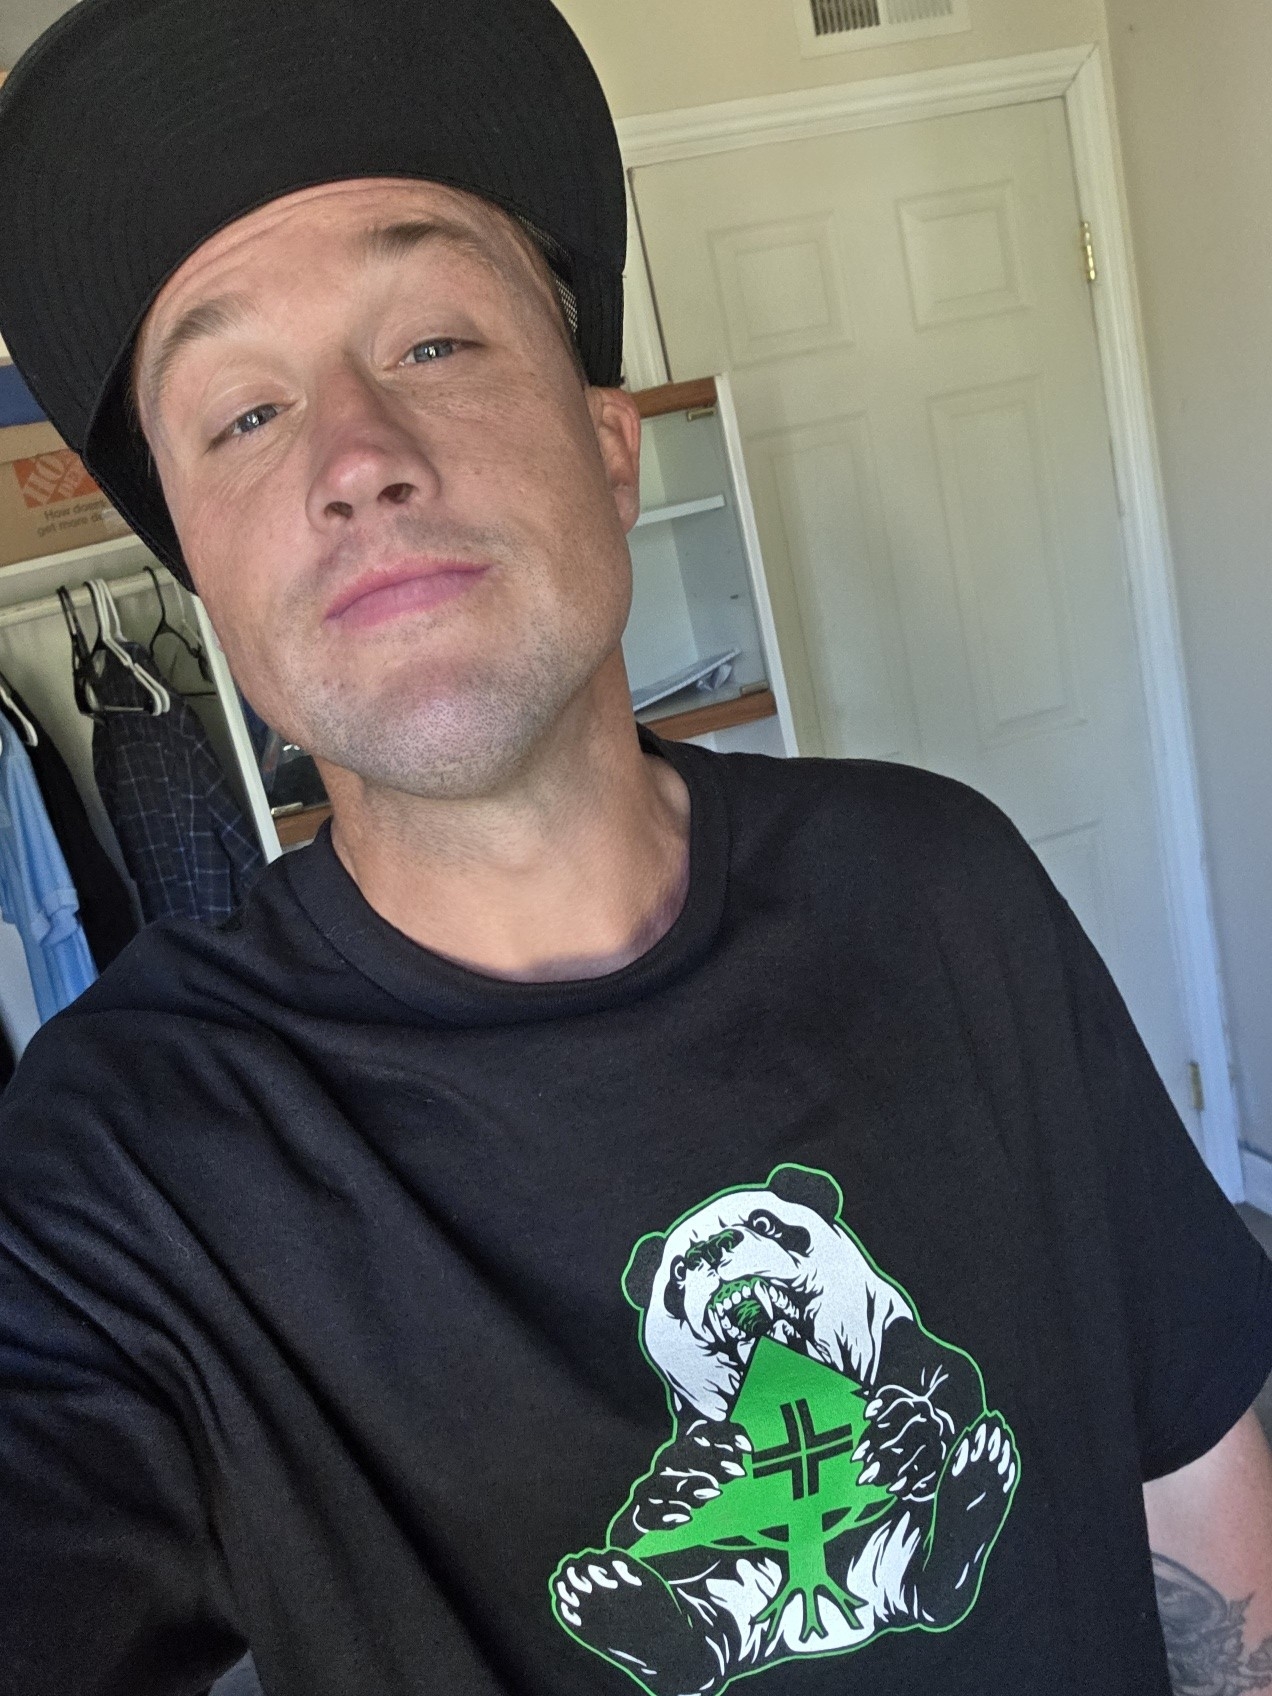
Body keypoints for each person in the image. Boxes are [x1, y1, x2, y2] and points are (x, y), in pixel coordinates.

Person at [0, 0, 1269, 1692]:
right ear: (211, 593)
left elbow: (1197, 1487)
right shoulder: (125, 1161)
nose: (357, 460)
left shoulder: (942, 890)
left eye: (434, 342)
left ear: (612, 451)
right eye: (242, 414)